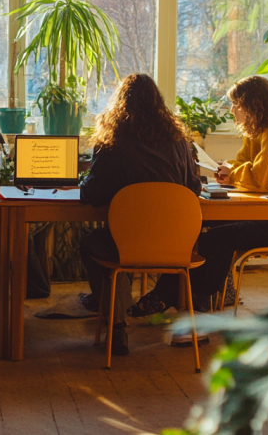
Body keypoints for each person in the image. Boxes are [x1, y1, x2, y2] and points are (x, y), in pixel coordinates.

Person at [129, 75, 268, 316]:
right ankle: (180, 295)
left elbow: (260, 179)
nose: (232, 110)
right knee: (200, 225)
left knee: (217, 238)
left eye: (236, 104)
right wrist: (228, 171)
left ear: (251, 105)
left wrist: (234, 174)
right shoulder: (257, 132)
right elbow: (242, 164)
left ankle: (188, 297)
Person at [78, 73, 202, 356]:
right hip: (175, 245)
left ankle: (116, 323)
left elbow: (92, 195)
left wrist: (84, 182)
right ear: (159, 104)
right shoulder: (179, 142)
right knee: (121, 244)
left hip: (127, 242)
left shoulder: (112, 142)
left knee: (96, 243)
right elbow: (192, 189)